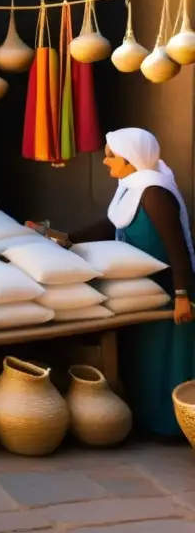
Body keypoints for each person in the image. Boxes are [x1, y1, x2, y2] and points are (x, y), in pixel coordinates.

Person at [67, 128, 194, 439]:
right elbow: (111, 225)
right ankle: (147, 419)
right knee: (144, 358)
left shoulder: (154, 192)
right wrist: (65, 238)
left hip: (167, 290)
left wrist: (182, 295)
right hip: (141, 289)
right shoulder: (132, 186)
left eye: (111, 156)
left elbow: (177, 248)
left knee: (167, 361)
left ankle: (172, 426)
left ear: (129, 158)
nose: (105, 161)